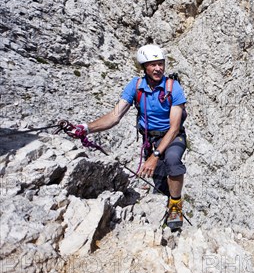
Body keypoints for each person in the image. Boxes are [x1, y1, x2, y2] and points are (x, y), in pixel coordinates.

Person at [73, 44, 187, 230]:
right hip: (151, 139)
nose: (158, 68)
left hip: (172, 137)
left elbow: (174, 128)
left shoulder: (173, 88)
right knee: (159, 181)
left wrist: (154, 156)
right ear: (144, 67)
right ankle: (166, 219)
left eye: (161, 64)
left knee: (173, 161)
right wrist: (86, 128)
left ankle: (175, 206)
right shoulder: (135, 87)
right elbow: (114, 116)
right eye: (153, 65)